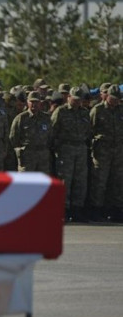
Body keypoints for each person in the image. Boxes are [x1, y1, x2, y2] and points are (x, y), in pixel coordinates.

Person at [51, 86, 92, 222]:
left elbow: (88, 131)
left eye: (79, 100)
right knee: (65, 180)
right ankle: (64, 209)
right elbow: (52, 131)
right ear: (68, 97)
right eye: (74, 99)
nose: (77, 102)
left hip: (80, 148)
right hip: (65, 149)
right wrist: (57, 148)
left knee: (80, 180)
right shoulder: (61, 111)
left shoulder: (84, 113)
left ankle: (77, 209)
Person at [88, 86, 123, 222]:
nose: (115, 101)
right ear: (107, 96)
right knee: (100, 182)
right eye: (113, 98)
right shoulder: (98, 110)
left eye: (117, 99)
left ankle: (115, 210)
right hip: (102, 151)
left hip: (118, 151)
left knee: (117, 181)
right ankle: (96, 209)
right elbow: (89, 130)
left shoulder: (120, 110)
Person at [9, 90, 51, 174]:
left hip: (42, 157)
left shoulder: (46, 118)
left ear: (40, 103)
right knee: (25, 180)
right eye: (32, 102)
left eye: (36, 102)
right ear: (27, 102)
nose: (34, 104)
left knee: (42, 180)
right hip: (27, 157)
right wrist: (21, 150)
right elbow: (13, 138)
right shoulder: (21, 118)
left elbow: (50, 136)